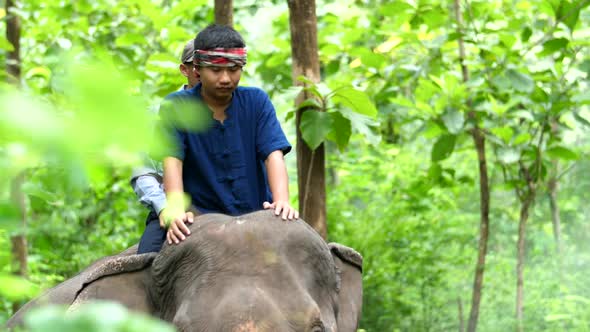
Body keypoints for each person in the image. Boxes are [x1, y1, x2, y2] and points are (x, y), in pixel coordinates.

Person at [158, 24, 298, 246]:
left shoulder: (257, 101)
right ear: (197, 69)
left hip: (258, 213)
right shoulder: (176, 105)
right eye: (215, 70)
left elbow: (274, 154)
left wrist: (282, 201)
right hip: (198, 218)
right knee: (149, 259)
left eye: (233, 70)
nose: (225, 78)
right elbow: (172, 160)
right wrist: (175, 210)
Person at [131, 40, 200, 254]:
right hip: (169, 206)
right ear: (184, 69)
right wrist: (164, 207)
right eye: (197, 67)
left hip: (218, 205)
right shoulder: (156, 114)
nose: (204, 73)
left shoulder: (230, 110)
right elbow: (143, 172)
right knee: (146, 260)